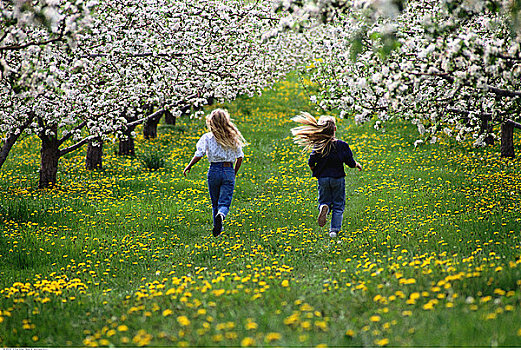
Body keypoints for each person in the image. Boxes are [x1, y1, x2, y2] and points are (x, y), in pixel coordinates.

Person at [291, 112, 362, 238]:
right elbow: (349, 162)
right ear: (335, 129)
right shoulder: (342, 145)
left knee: (325, 200)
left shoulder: (318, 146)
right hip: (337, 178)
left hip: (323, 178)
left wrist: (315, 171)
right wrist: (356, 165)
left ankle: (324, 207)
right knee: (338, 205)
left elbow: (311, 162)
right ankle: (334, 231)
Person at [183, 108, 246, 237]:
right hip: (228, 169)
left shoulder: (207, 137)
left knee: (215, 202)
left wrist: (189, 166)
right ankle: (221, 215)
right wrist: (233, 172)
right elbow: (240, 157)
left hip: (213, 171)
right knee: (224, 202)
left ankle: (217, 230)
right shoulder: (232, 137)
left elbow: (199, 154)